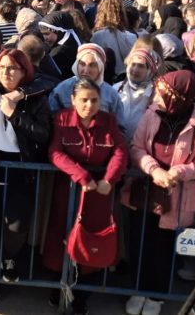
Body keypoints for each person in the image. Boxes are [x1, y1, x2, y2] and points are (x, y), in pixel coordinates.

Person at [121, 70, 195, 315]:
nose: (157, 97)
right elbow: (137, 147)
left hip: (176, 193)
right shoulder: (151, 114)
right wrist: (154, 170)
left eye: (163, 94)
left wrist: (178, 172)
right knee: (140, 241)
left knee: (163, 246)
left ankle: (157, 296)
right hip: (146, 187)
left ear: (178, 96)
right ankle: (138, 290)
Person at [0, 48, 52, 296]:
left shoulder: (36, 98)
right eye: (2, 67)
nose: (7, 72)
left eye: (13, 68)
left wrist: (14, 113)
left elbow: (43, 134)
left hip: (21, 166)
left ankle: (9, 257)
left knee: (15, 224)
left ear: (24, 70)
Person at [44, 78, 128, 315]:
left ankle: (82, 296)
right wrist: (81, 176)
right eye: (83, 100)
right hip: (69, 189)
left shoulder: (108, 122)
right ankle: (57, 288)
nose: (89, 105)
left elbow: (120, 150)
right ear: (73, 100)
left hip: (99, 194)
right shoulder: (62, 119)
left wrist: (109, 179)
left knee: (93, 241)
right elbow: (55, 152)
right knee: (61, 237)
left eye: (94, 100)